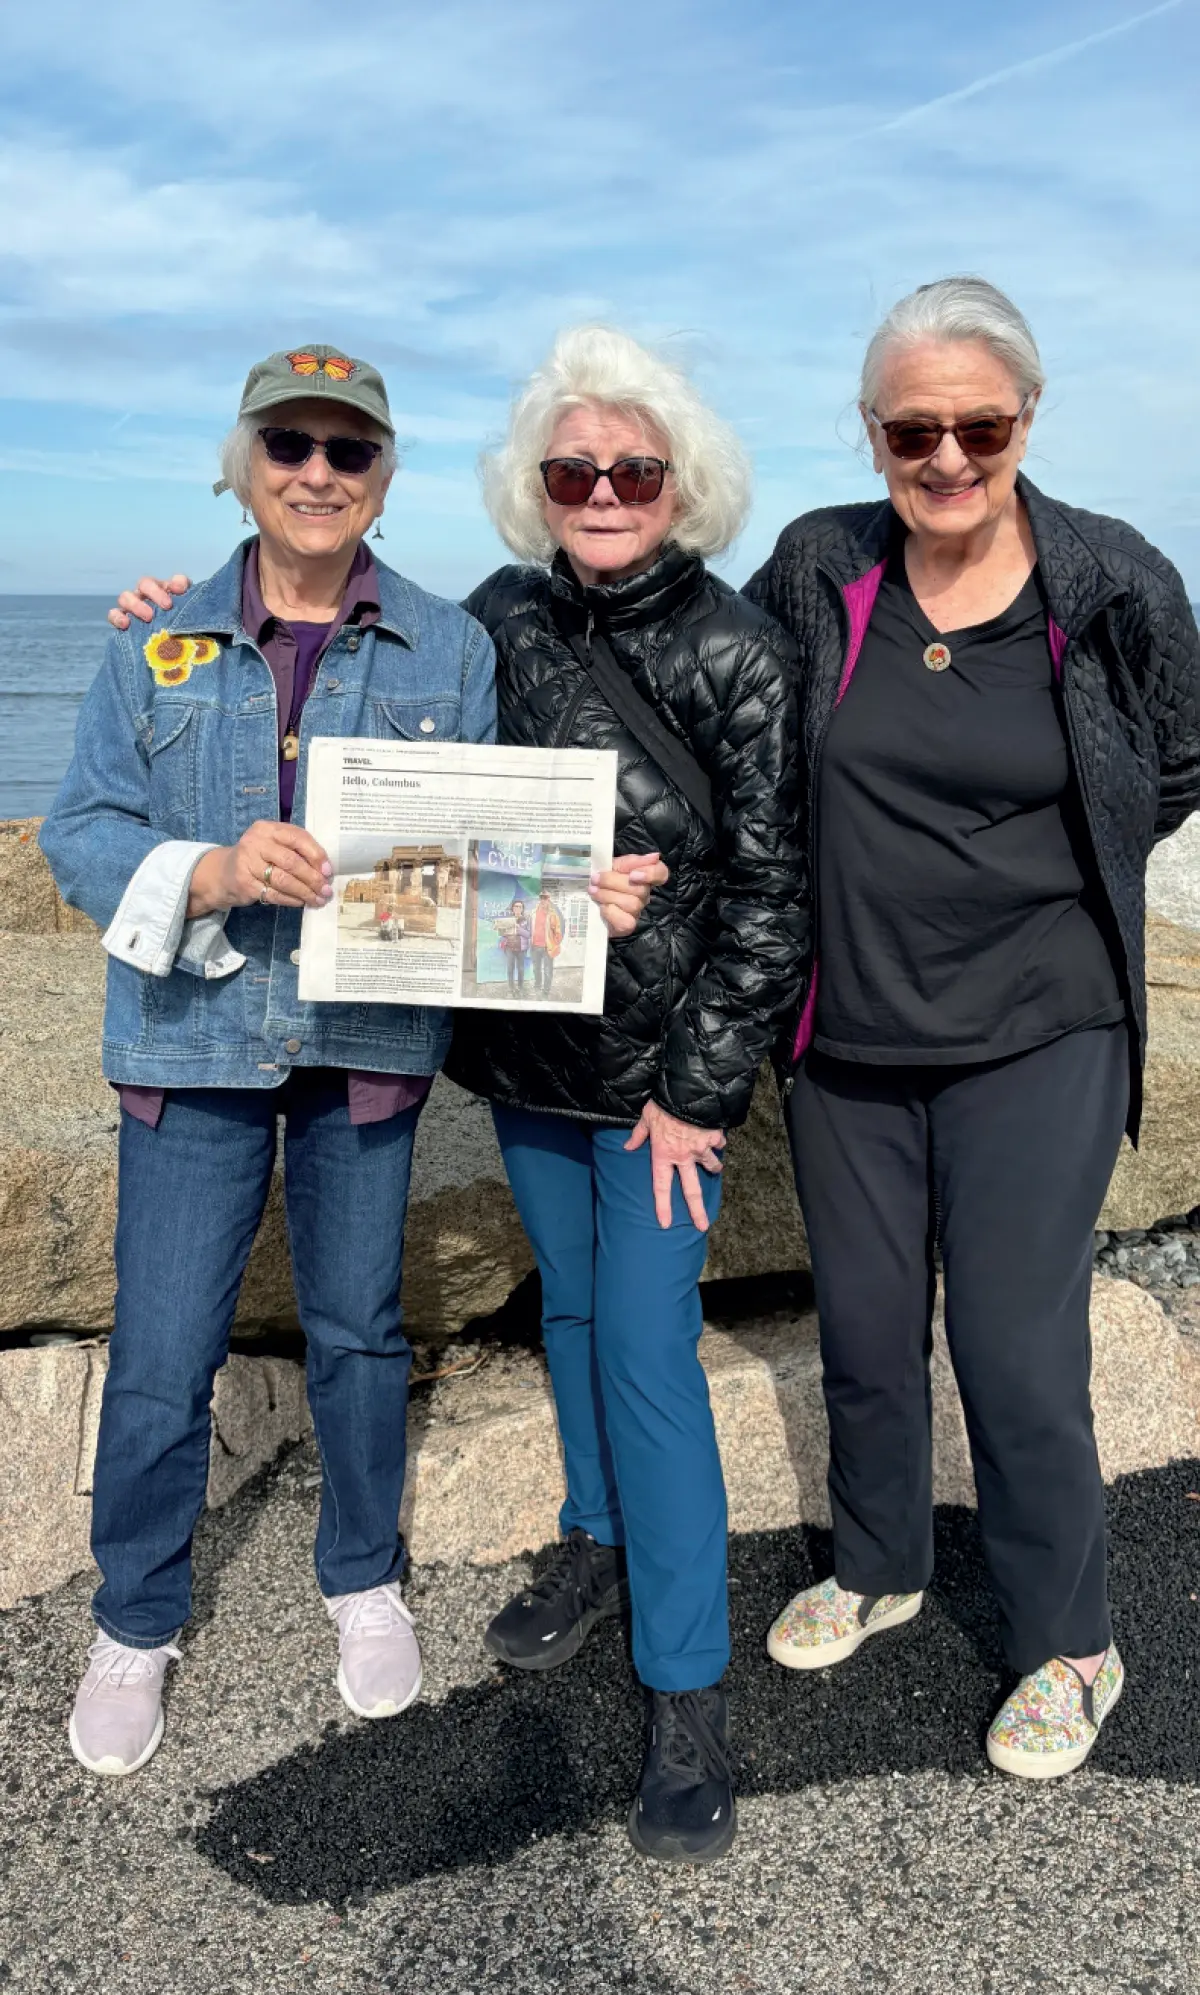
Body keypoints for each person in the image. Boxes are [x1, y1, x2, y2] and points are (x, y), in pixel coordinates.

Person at [106, 323, 809, 1861]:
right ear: (534, 487)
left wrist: (696, 1083)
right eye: (576, 469)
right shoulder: (494, 622)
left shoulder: (745, 649)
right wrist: (164, 622)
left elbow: (774, 890)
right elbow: (441, 834)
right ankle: (595, 1536)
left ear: (680, 483)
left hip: (660, 1082)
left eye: (633, 468)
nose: (605, 489)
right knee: (568, 1311)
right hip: (536, 1055)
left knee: (643, 1345)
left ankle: (685, 1684)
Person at [47, 341, 654, 1784]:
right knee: (160, 1355)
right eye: (291, 445)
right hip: (190, 1045)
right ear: (242, 460)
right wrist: (205, 868)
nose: (318, 472)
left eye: (350, 450)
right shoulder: (154, 642)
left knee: (362, 1330)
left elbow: (489, 845)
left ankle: (362, 1576)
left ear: (384, 474)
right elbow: (82, 830)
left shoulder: (451, 645)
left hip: (366, 1048)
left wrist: (578, 894)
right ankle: (136, 1616)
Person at [744, 277, 1200, 1779]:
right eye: (913, 428)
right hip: (848, 1033)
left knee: (1013, 1345)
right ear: (872, 431)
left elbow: (1180, 755)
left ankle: (1074, 1638)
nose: (946, 455)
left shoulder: (1111, 577)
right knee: (869, 1333)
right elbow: (718, 718)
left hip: (1043, 1025)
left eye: (978, 423)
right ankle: (881, 1561)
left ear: (1025, 418)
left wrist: (1060, 890)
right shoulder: (819, 565)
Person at [530, 885, 564, 996]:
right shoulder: (534, 912)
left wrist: (555, 943)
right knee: (536, 969)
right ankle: (538, 985)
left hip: (547, 948)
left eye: (546, 898)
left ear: (549, 899)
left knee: (548, 971)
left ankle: (546, 990)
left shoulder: (552, 914)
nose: (543, 900)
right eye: (542, 897)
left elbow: (558, 931)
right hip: (535, 946)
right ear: (539, 899)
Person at [499, 896, 531, 993]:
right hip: (510, 947)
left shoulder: (526, 919)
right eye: (516, 906)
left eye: (520, 907)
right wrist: (501, 930)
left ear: (522, 909)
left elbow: (529, 934)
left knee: (521, 969)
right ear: (512, 908)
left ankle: (520, 986)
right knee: (510, 968)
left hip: (522, 948)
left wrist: (518, 929)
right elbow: (502, 934)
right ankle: (511, 987)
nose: (517, 908)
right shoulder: (508, 920)